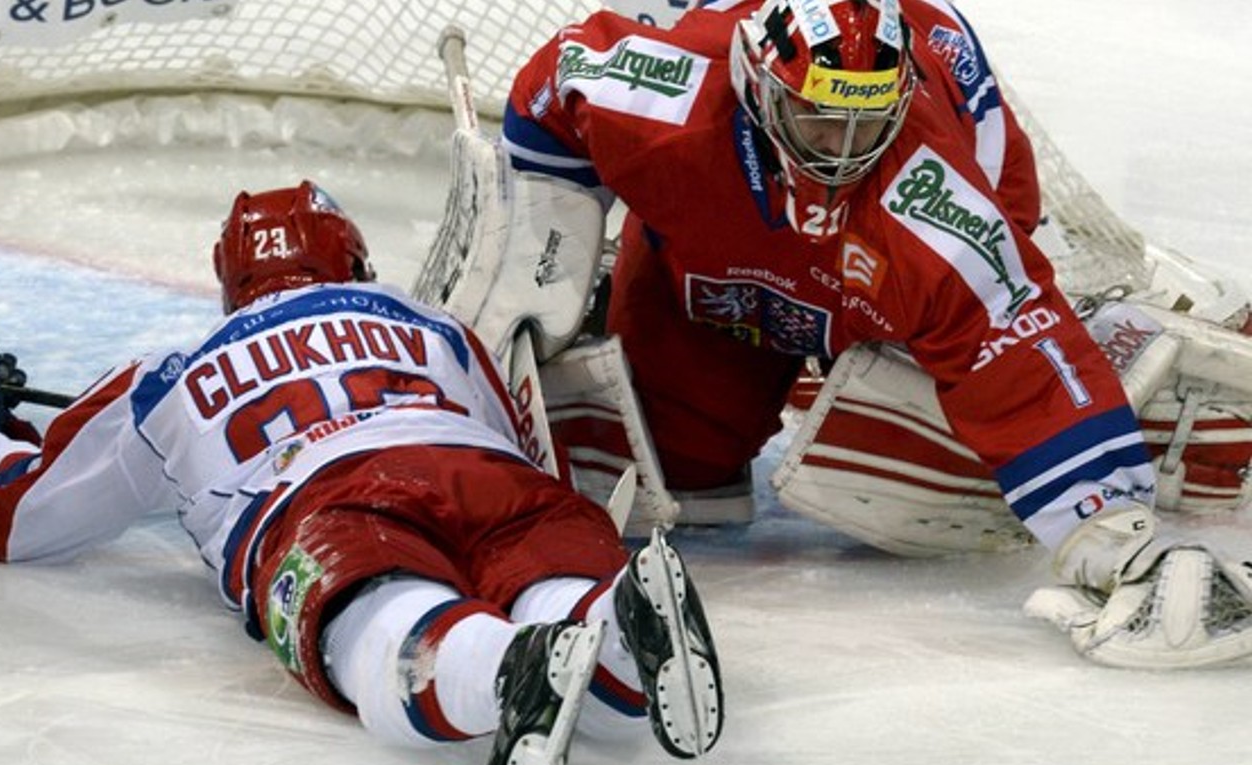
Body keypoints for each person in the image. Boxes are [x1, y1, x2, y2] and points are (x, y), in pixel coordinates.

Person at [497, 0, 1252, 667]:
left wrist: (1110, 526)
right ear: (758, 86)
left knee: (909, 429)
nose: (842, 148)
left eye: (868, 121)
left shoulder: (934, 200)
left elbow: (1011, 341)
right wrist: (547, 243)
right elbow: (552, 85)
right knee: (677, 465)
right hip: (717, 259)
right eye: (819, 118)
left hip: (938, 197)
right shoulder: (666, 89)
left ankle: (1110, 346)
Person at [0, 181, 723, 763]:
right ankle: (605, 619)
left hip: (332, 506)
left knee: (381, 619)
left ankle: (502, 668)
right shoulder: (429, 323)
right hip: (490, 475)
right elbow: (514, 434)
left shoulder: (171, 373)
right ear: (354, 262)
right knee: (528, 554)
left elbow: (12, 516)